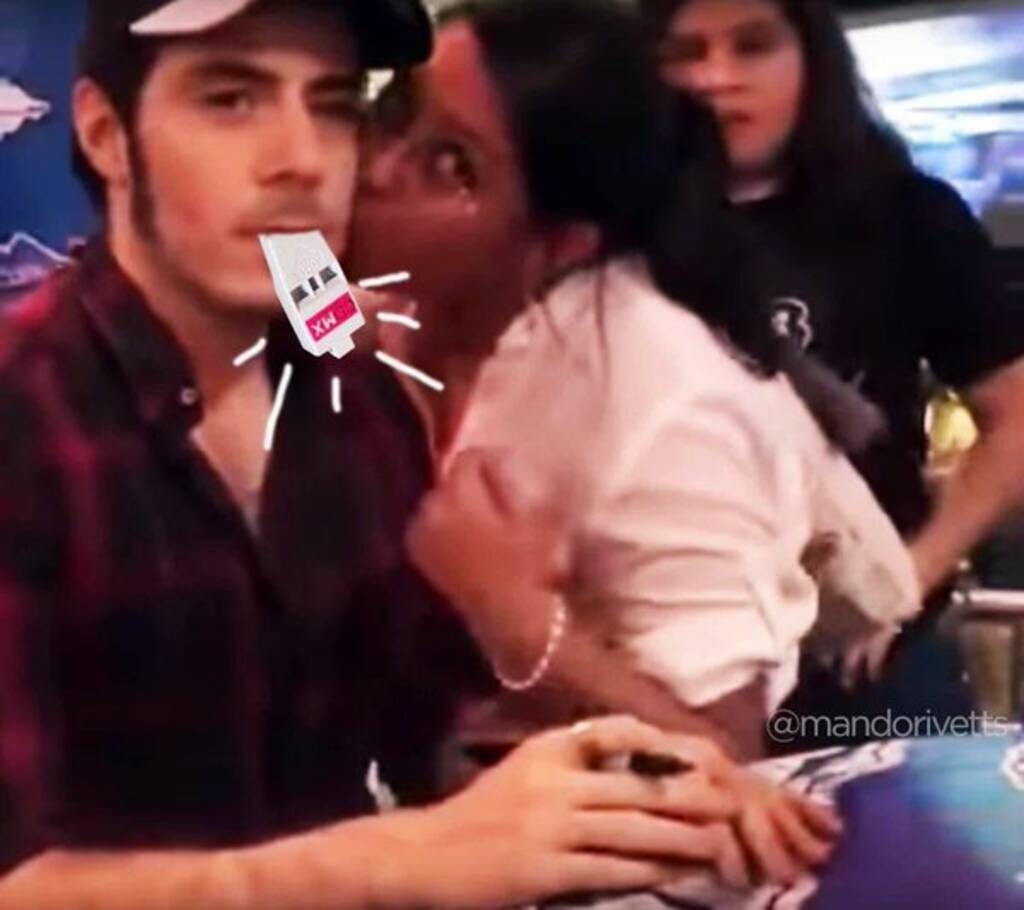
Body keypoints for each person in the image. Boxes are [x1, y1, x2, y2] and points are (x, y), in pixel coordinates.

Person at [0, 0, 842, 905]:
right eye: (230, 99)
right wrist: (396, 860)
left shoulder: (359, 401)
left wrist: (649, 786)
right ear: (106, 134)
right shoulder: (30, 413)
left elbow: (427, 729)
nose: (306, 160)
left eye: (333, 105)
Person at [347, 0, 920, 763]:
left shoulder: (663, 401)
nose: (375, 170)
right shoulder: (432, 308)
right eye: (392, 112)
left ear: (559, 243)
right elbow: (324, 315)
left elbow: (724, 755)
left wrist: (516, 619)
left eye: (453, 167)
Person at [640, 0, 1024, 737]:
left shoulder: (908, 214)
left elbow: (1014, 417)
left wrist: (908, 578)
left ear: (810, 58)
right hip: (671, 663)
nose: (717, 78)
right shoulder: (613, 230)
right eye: (685, 53)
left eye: (753, 46)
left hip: (869, 666)